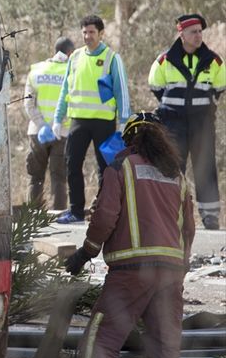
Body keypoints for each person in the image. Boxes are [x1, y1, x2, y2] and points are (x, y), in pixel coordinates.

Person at [65, 112, 195, 358]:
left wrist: (86, 252)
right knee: (165, 341)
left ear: (130, 139)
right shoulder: (176, 176)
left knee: (103, 336)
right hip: (171, 271)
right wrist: (181, 265)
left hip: (131, 271)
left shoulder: (120, 167)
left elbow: (105, 216)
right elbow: (188, 228)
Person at [148, 13, 225, 230]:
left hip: (202, 124)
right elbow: (156, 87)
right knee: (171, 167)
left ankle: (210, 217)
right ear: (181, 33)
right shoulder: (163, 60)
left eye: (201, 31)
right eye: (194, 32)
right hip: (173, 124)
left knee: (205, 168)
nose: (199, 36)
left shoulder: (215, 61)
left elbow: (219, 88)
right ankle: (167, 214)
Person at [52, 15, 131, 223]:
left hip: (103, 122)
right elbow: (65, 90)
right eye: (84, 32)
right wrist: (57, 118)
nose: (88, 36)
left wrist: (124, 121)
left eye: (92, 32)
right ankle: (76, 211)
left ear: (101, 33)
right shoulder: (75, 57)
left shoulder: (112, 58)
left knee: (106, 167)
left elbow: (121, 91)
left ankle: (103, 210)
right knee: (72, 163)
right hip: (78, 120)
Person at [23, 36, 76, 210]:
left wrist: (42, 124)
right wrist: (58, 124)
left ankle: (32, 216)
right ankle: (58, 215)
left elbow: (28, 103)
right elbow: (75, 104)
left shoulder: (37, 71)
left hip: (37, 132)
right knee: (59, 177)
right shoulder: (73, 73)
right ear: (70, 52)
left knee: (36, 177)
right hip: (62, 133)